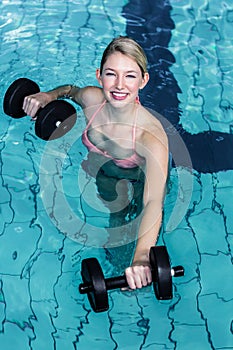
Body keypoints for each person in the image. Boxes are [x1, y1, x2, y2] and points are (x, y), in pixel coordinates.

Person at [23, 36, 169, 290]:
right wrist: (48, 95)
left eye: (130, 76)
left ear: (143, 81)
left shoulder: (150, 137)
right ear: (99, 75)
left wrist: (143, 256)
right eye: (112, 74)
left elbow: (153, 200)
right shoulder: (92, 99)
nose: (120, 85)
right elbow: (69, 90)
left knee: (124, 226)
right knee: (114, 215)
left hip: (135, 179)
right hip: (101, 174)